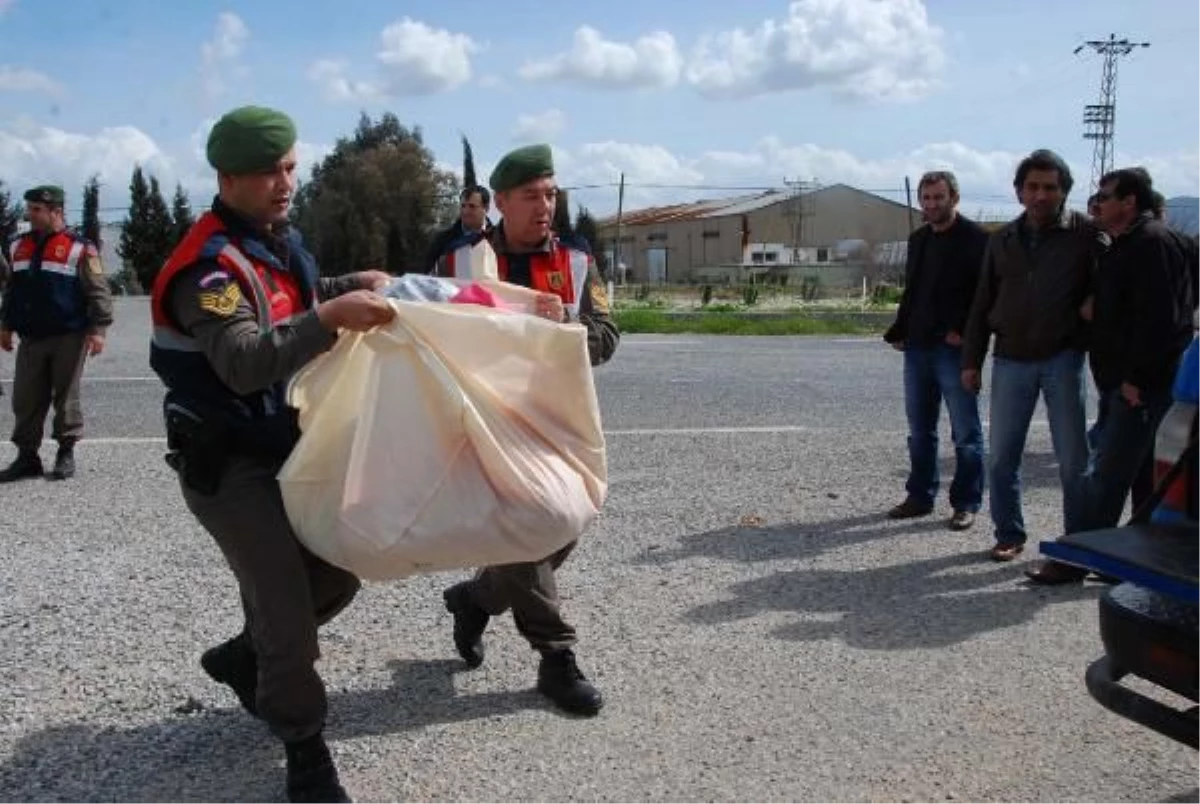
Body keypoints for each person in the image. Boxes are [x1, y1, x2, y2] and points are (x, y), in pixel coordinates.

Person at [149, 105, 395, 803]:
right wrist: (329, 320)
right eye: (267, 171)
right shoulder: (208, 268)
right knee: (285, 604)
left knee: (336, 575)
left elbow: (298, 300)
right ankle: (305, 752)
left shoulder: (271, 241)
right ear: (227, 178)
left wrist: (349, 287)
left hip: (284, 443)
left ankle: (241, 658)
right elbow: (244, 361)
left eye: (290, 166)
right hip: (227, 462)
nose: (285, 182)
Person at [439, 143, 619, 717]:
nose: (545, 206)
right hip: (487, 421)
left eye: (550, 194)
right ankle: (556, 656)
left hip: (557, 420)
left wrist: (561, 327)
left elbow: (606, 336)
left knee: (564, 522)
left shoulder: (576, 260)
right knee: (524, 527)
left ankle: (475, 598)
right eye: (531, 196)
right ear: (500, 204)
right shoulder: (462, 263)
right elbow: (435, 335)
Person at [1027, 168, 1194, 583]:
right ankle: (1131, 562)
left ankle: (1075, 558)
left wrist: (1137, 376)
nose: (1098, 203)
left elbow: (1162, 319)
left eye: (1105, 196)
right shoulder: (1133, 243)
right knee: (1142, 477)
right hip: (1133, 383)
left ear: (1129, 201)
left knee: (1105, 475)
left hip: (1139, 387)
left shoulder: (1150, 244)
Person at [961, 149, 1102, 562]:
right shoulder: (1002, 240)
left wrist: (1094, 302)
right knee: (1003, 456)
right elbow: (982, 301)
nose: (1041, 195)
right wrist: (971, 360)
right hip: (1011, 359)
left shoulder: (1087, 235)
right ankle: (1008, 533)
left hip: (1063, 359)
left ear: (1064, 192)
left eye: (1050, 188)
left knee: (1074, 459)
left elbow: (1116, 281)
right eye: (1033, 187)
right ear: (1020, 192)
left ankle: (1079, 542)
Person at [883, 170, 989, 529]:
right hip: (918, 346)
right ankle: (919, 495)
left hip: (953, 349)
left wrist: (965, 333)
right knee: (920, 429)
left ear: (954, 198)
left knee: (966, 432)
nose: (931, 205)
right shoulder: (919, 239)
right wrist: (900, 330)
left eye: (938, 198)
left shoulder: (976, 239)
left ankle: (966, 502)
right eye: (926, 199)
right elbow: (913, 290)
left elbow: (984, 295)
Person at [0, 185, 113, 481]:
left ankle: (65, 452)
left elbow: (98, 291)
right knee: (25, 398)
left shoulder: (80, 247)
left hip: (69, 336)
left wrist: (99, 329)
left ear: (57, 212)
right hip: (31, 338)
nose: (30, 215)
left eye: (37, 210)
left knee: (66, 398)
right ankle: (27, 457)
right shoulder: (16, 246)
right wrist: (5, 325)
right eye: (30, 209)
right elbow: (12, 291)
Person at [425, 136, 493, 274]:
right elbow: (427, 276)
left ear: (486, 208)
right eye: (463, 206)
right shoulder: (443, 240)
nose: (466, 211)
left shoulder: (498, 239)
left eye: (472, 207)